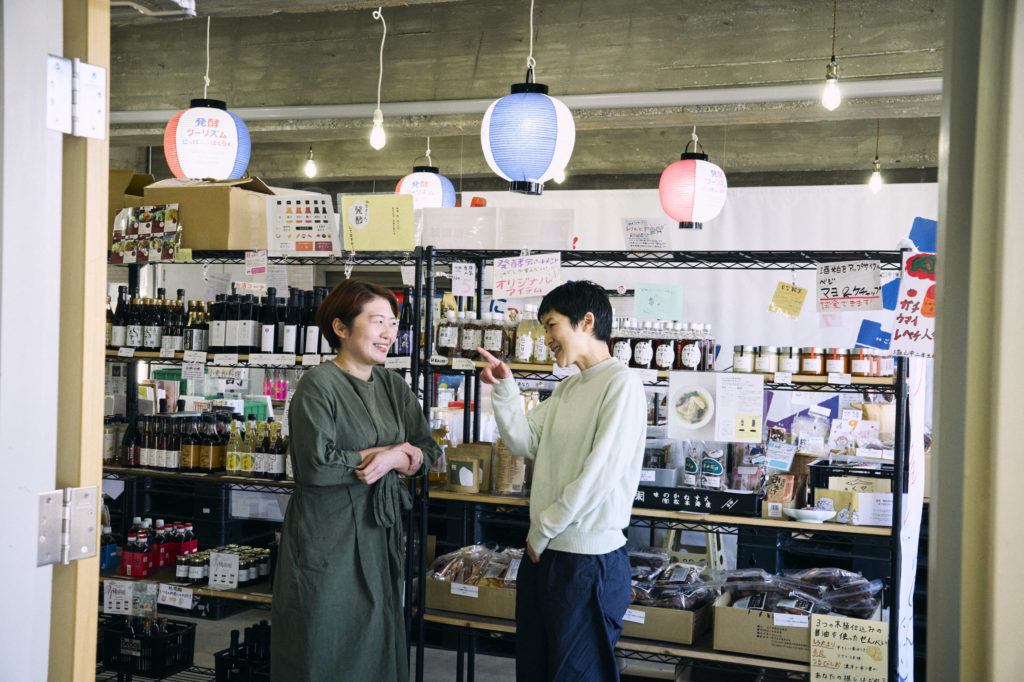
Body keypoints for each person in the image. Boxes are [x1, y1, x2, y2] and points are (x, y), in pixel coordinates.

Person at [477, 281, 648, 682]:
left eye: (551, 325)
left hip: (587, 562)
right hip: (547, 553)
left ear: (586, 322)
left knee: (576, 675)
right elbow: (523, 440)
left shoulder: (621, 384)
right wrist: (505, 388)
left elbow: (599, 474)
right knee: (536, 669)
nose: (546, 338)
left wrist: (544, 529)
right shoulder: (569, 387)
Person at [271, 279, 438, 682]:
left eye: (393, 323)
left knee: (377, 628)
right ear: (341, 327)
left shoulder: (393, 385)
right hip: (329, 535)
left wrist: (397, 457)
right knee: (324, 634)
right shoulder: (318, 384)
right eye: (377, 321)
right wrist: (380, 455)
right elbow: (315, 465)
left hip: (379, 532)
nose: (388, 332)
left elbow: (427, 451)